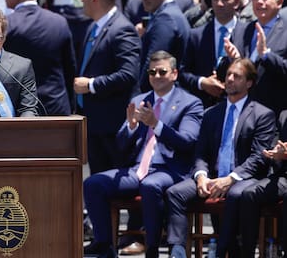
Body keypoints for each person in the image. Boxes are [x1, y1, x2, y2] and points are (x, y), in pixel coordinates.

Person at [83, 50, 203, 258]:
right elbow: (120, 144)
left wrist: (156, 125)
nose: (156, 76)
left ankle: (152, 248)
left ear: (174, 74)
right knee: (93, 183)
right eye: (152, 72)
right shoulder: (140, 99)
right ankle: (105, 246)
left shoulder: (190, 103)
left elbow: (186, 141)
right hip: (137, 169)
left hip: (169, 169)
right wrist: (130, 126)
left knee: (151, 185)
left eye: (162, 72)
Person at [166, 58, 276, 258]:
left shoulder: (262, 115)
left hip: (243, 178)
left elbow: (259, 158)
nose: (230, 79)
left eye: (237, 76)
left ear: (249, 83)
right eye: (228, 75)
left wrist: (231, 178)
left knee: (236, 194)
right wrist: (201, 176)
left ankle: (224, 250)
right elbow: (200, 152)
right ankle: (178, 251)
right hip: (213, 176)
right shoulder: (211, 114)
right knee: (176, 192)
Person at [74, 0, 141, 174]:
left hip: (112, 125)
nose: (81, 2)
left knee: (112, 183)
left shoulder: (122, 29)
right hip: (94, 121)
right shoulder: (93, 27)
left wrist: (92, 85)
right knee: (97, 182)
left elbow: (128, 74)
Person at [3, 0, 76, 115]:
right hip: (56, 105)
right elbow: (70, 68)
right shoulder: (59, 22)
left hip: (19, 107)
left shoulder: (6, 25)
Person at [178, 0, 247, 108]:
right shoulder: (196, 35)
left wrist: (237, 60)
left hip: (238, 105)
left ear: (236, 2)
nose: (219, 4)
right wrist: (202, 82)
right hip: (204, 106)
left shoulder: (247, 33)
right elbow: (182, 73)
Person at [225, 0, 287, 117]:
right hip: (239, 112)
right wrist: (233, 60)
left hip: (272, 112)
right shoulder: (241, 30)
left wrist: (266, 55)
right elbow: (223, 71)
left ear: (279, 3)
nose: (260, 2)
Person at [240, 109, 287, 258]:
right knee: (250, 194)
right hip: (284, 176)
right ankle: (247, 253)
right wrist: (276, 153)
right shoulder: (284, 115)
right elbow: (276, 143)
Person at [137, 0, 190, 93]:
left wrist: (139, 93)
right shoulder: (169, 13)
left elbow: (154, 61)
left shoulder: (166, 18)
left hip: (163, 94)